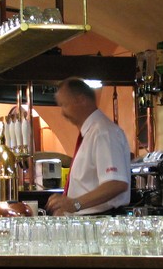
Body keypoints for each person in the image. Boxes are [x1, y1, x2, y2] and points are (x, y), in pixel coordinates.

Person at [46, 77, 132, 216]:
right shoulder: (90, 134)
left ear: (81, 100)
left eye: (64, 105)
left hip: (102, 221)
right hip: (89, 220)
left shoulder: (103, 132)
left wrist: (75, 204)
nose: (62, 113)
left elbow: (116, 183)